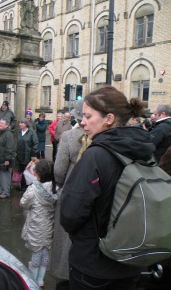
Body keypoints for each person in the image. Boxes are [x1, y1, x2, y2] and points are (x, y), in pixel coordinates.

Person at [60, 86, 153, 289]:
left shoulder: (96, 155)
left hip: (94, 265)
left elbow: (70, 213)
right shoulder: (143, 149)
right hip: (131, 259)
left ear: (109, 118)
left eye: (88, 116)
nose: (82, 121)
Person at [50, 99, 85, 289]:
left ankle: (64, 272)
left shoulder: (69, 137)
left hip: (71, 190)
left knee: (65, 238)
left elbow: (59, 170)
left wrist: (62, 186)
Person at [21, 159, 58, 288]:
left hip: (35, 227)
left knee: (36, 253)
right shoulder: (55, 188)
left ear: (35, 173)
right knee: (45, 250)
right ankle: (40, 279)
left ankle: (33, 280)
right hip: (48, 228)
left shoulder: (33, 190)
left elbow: (23, 203)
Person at [0, 117, 16, 198]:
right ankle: (2, 189)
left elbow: (10, 148)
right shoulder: (1, 133)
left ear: (7, 125)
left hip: (5, 160)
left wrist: (7, 159)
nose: (0, 124)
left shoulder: (8, 134)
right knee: (1, 175)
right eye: (0, 123)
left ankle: (6, 192)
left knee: (5, 176)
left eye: (2, 123)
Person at [16, 118, 39, 192]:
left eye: (21, 123)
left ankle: (26, 186)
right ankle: (22, 185)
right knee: (21, 171)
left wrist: (33, 154)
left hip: (28, 155)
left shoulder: (32, 132)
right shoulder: (19, 132)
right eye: (19, 123)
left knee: (27, 172)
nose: (20, 124)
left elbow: (35, 144)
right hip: (20, 155)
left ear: (26, 124)